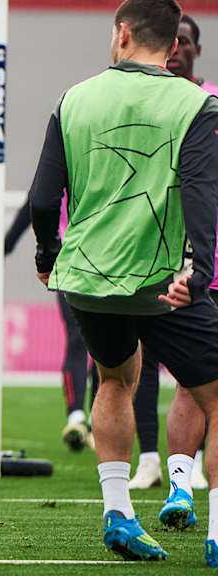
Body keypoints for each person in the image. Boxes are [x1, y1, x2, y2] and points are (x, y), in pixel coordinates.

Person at [31, 0, 218, 563]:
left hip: (87, 278)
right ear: (173, 43)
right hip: (162, 282)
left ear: (122, 33)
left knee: (114, 379)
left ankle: (118, 512)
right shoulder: (198, 104)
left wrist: (47, 253)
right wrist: (202, 273)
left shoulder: (75, 98)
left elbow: (44, 197)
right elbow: (202, 194)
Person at [126, 13, 215, 492]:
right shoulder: (142, 102)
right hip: (148, 255)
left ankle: (188, 471)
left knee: (193, 377)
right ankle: (147, 459)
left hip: (206, 261)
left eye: (186, 41)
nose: (177, 48)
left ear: (197, 50)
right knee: (135, 367)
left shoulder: (212, 103)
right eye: (172, 40)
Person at [4, 194, 99, 452]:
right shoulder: (62, 161)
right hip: (71, 265)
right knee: (79, 338)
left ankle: (95, 419)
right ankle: (77, 418)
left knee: (104, 343)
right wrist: (6, 244)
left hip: (105, 261)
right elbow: (37, 201)